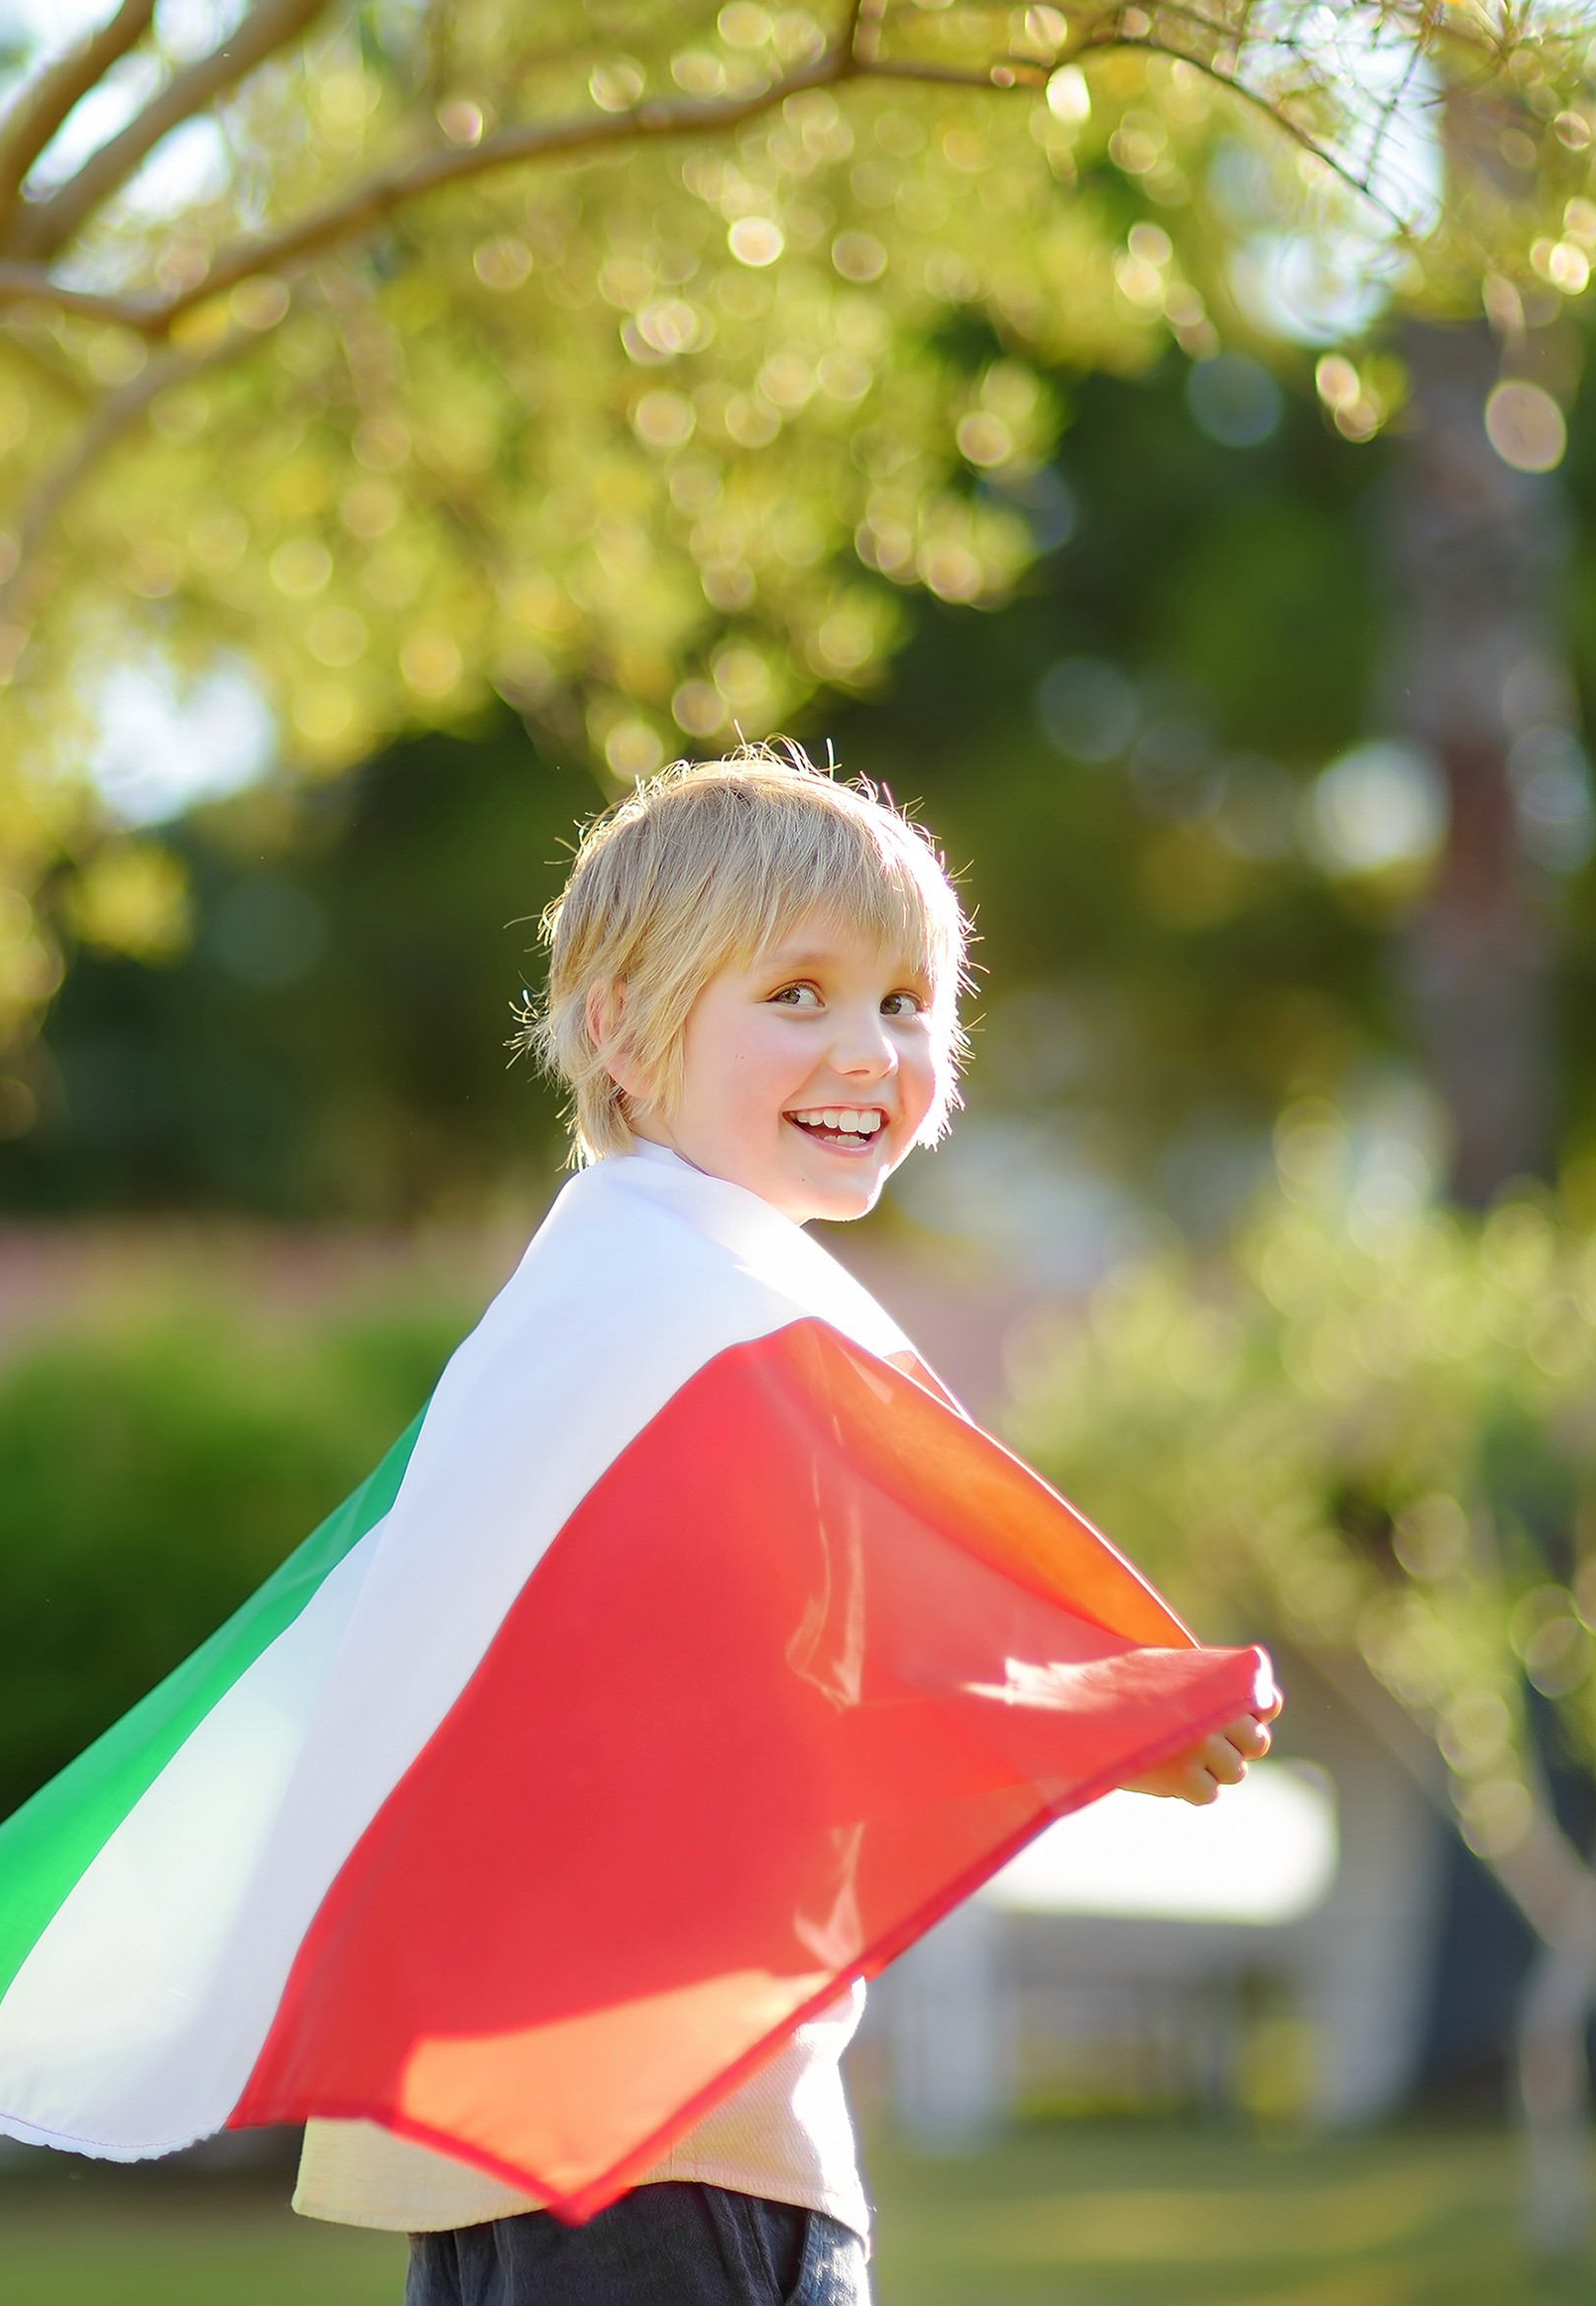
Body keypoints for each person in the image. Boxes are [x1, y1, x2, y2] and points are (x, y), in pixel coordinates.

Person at [287, 744, 1277, 2305]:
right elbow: (753, 1732)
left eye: (905, 1002)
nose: (870, 1050)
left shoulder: (585, 1302)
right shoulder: (704, 1325)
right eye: (797, 994)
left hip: (521, 2149)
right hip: (663, 2155)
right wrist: (1096, 1725)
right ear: (620, 1026)